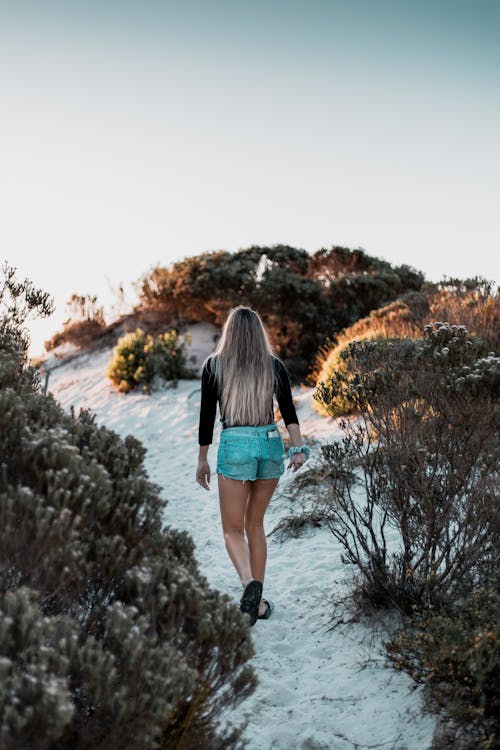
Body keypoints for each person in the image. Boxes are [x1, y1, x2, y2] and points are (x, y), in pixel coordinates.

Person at [196, 305, 310, 626]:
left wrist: (202, 460)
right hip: (270, 444)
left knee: (232, 530)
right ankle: (258, 604)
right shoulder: (272, 365)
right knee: (255, 525)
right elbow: (288, 412)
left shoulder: (214, 367)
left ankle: (249, 585)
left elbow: (206, 419)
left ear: (229, 333)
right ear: (259, 332)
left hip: (236, 444)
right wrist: (298, 449)